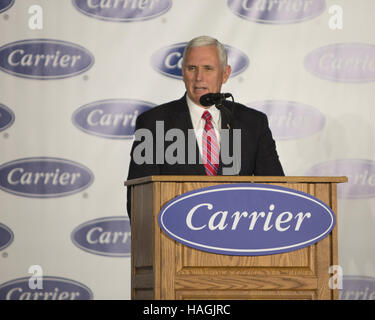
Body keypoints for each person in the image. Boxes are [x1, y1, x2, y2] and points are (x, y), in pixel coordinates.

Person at [126, 35, 284, 218]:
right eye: (192, 68)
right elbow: (139, 201)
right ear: (183, 72)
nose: (199, 77)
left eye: (208, 69)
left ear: (225, 74)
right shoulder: (154, 123)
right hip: (174, 241)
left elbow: (276, 193)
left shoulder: (253, 123)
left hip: (238, 240)